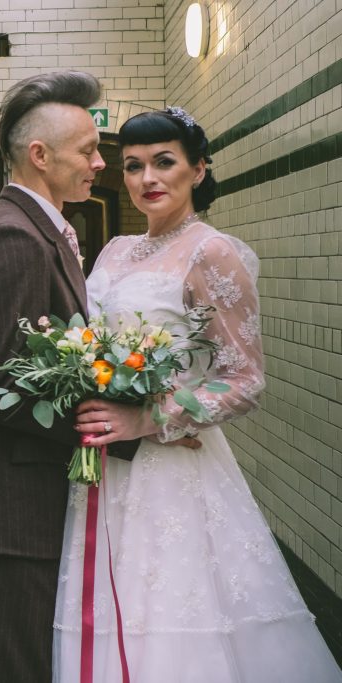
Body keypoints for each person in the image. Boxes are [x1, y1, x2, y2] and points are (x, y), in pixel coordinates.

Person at [53, 107, 342, 681]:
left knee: (169, 611)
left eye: (164, 162)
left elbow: (244, 378)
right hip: (102, 467)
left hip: (170, 468)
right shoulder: (113, 252)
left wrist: (150, 419)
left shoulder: (213, 253)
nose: (146, 179)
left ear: (199, 169)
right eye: (133, 167)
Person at [0, 71, 148, 682]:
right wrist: (125, 426)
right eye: (89, 149)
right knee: (16, 667)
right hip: (19, 513)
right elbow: (10, 392)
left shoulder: (48, 233)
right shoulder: (14, 241)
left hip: (41, 500)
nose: (101, 163)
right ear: (39, 156)